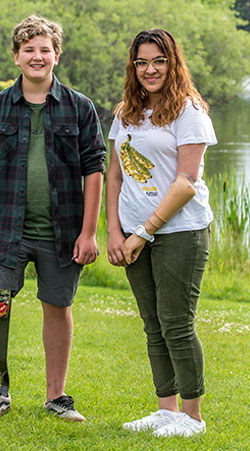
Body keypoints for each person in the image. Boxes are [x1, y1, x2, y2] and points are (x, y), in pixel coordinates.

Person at [0, 15, 106, 421]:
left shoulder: (80, 108)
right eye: (28, 49)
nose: (37, 56)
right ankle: (0, 390)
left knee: (57, 306)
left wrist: (89, 232)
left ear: (56, 55)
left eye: (44, 49)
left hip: (62, 232)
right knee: (1, 302)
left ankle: (55, 396)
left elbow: (95, 169)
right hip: (8, 230)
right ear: (16, 57)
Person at [106, 29, 217, 437]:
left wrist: (142, 234)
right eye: (141, 62)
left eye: (158, 61)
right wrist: (114, 231)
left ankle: (192, 416)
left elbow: (186, 182)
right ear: (133, 67)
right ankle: (165, 410)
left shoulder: (189, 111)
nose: (149, 70)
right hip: (133, 231)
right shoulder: (126, 113)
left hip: (179, 233)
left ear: (173, 63)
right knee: (153, 323)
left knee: (176, 324)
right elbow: (114, 175)